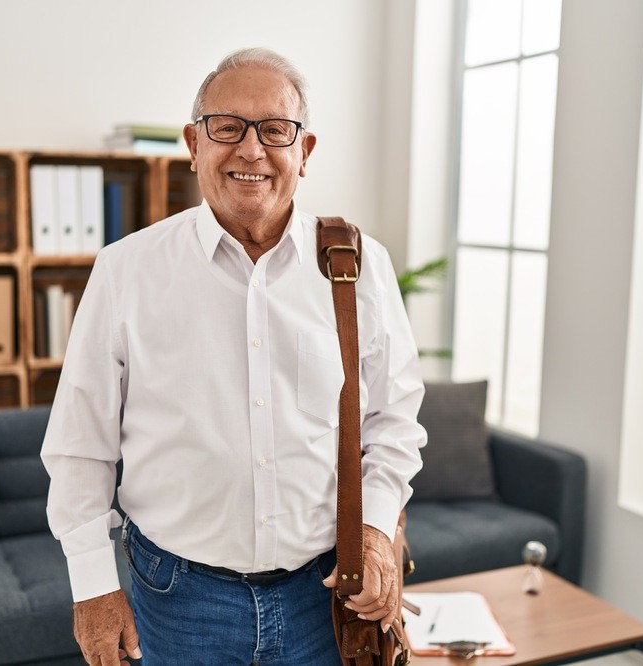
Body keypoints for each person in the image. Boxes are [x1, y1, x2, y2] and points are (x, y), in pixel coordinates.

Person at [41, 47, 427, 665]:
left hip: (324, 596)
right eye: (227, 127)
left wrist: (377, 532)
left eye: (276, 130)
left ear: (305, 153)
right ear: (194, 144)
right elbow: (80, 444)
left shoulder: (359, 268)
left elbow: (393, 421)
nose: (252, 150)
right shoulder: (126, 271)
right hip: (176, 602)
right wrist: (93, 586)